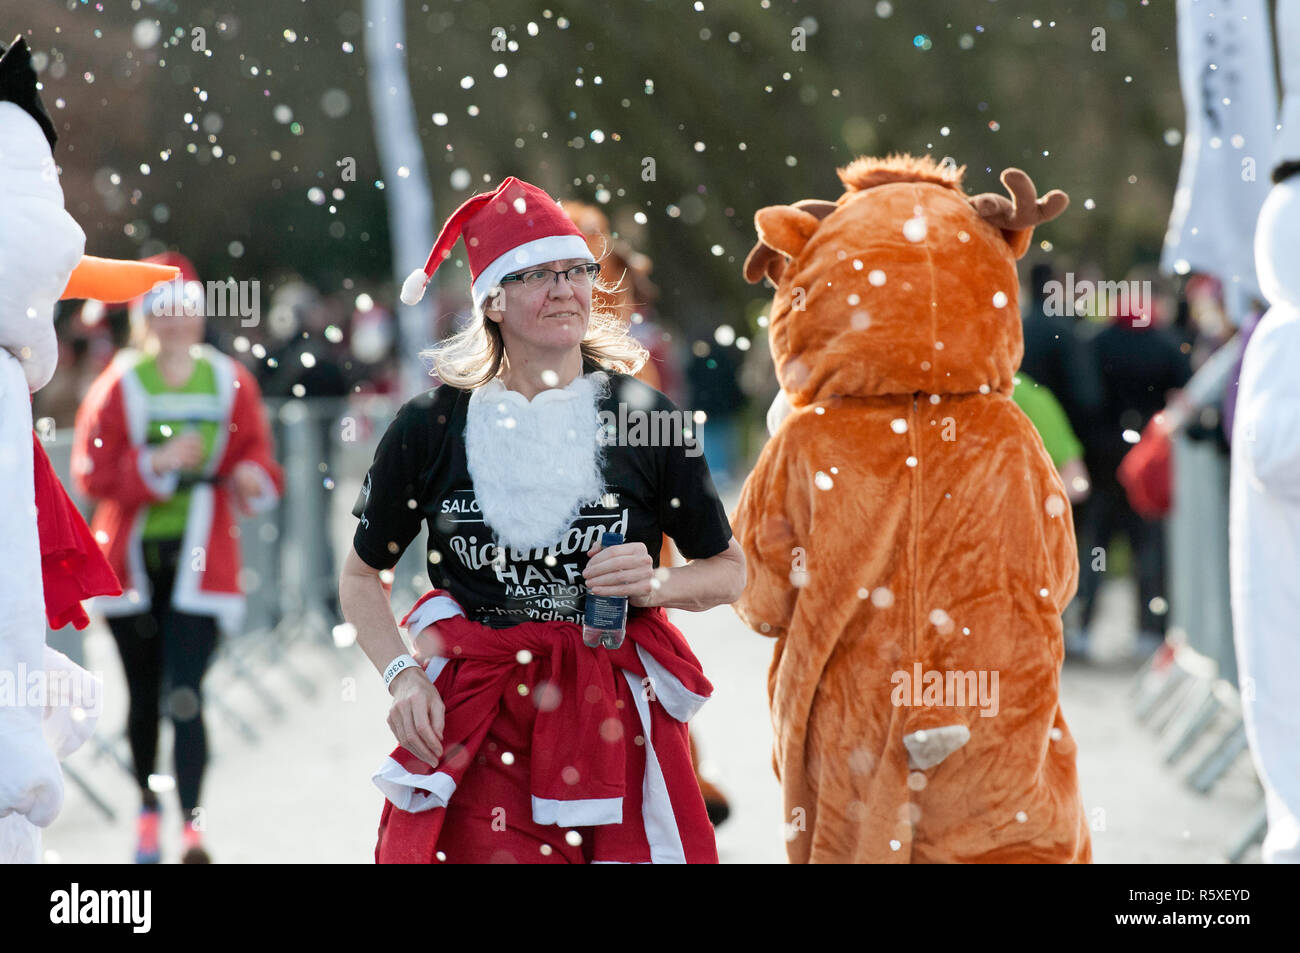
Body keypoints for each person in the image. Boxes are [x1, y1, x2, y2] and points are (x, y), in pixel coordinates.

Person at [341, 176, 744, 863]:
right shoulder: (429, 427)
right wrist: (401, 675)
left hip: (617, 717)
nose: (565, 289)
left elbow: (729, 571)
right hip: (481, 720)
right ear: (492, 299)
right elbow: (359, 573)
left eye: (576, 270)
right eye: (536, 275)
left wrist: (655, 587)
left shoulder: (649, 420)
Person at [71, 255, 284, 864]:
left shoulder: (228, 381)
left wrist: (249, 475)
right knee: (143, 696)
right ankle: (145, 811)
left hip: (203, 563)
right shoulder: (119, 382)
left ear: (199, 315)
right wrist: (156, 465)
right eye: (163, 313)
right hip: (132, 566)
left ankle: (191, 828)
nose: (176, 324)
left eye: (186, 311)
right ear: (145, 320)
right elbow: (91, 470)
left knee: (186, 694)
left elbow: (262, 460)